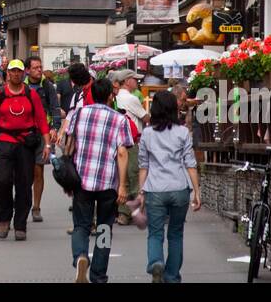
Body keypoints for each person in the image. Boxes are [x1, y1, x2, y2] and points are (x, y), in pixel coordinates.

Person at [66, 78, 132, 283]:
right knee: (104, 228)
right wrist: (122, 185)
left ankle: (80, 256)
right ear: (111, 96)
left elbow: (70, 143)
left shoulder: (80, 113)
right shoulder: (119, 119)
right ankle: (98, 274)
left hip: (82, 180)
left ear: (92, 94)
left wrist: (68, 179)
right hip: (107, 183)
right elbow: (122, 152)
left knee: (81, 226)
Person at [0, 60, 50, 240]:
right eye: (13, 71)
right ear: (8, 74)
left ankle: (20, 224)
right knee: (3, 181)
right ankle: (4, 219)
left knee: (24, 184)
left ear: (23, 73)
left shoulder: (31, 94)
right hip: (4, 143)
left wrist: (47, 144)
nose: (16, 74)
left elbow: (42, 120)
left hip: (26, 144)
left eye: (19, 71)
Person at [139, 90, 201, 283]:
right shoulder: (182, 132)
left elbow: (144, 166)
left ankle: (156, 262)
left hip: (155, 189)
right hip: (179, 188)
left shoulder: (147, 134)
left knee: (155, 233)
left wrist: (142, 192)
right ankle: (172, 277)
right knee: (175, 234)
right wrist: (197, 191)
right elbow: (190, 163)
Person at [26, 54, 61, 222]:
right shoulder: (22, 86)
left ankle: (36, 207)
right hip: (23, 133)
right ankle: (23, 204)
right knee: (24, 172)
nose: (39, 70)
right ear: (27, 70)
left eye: (40, 67)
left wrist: (55, 128)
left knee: (38, 170)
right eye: (35, 68)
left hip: (42, 133)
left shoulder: (47, 86)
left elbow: (55, 107)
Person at [110, 69, 148, 223]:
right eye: (134, 79)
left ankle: (121, 211)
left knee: (121, 176)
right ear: (126, 81)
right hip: (132, 140)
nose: (137, 82)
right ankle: (126, 213)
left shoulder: (116, 97)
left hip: (116, 140)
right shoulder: (131, 99)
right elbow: (146, 117)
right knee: (133, 175)